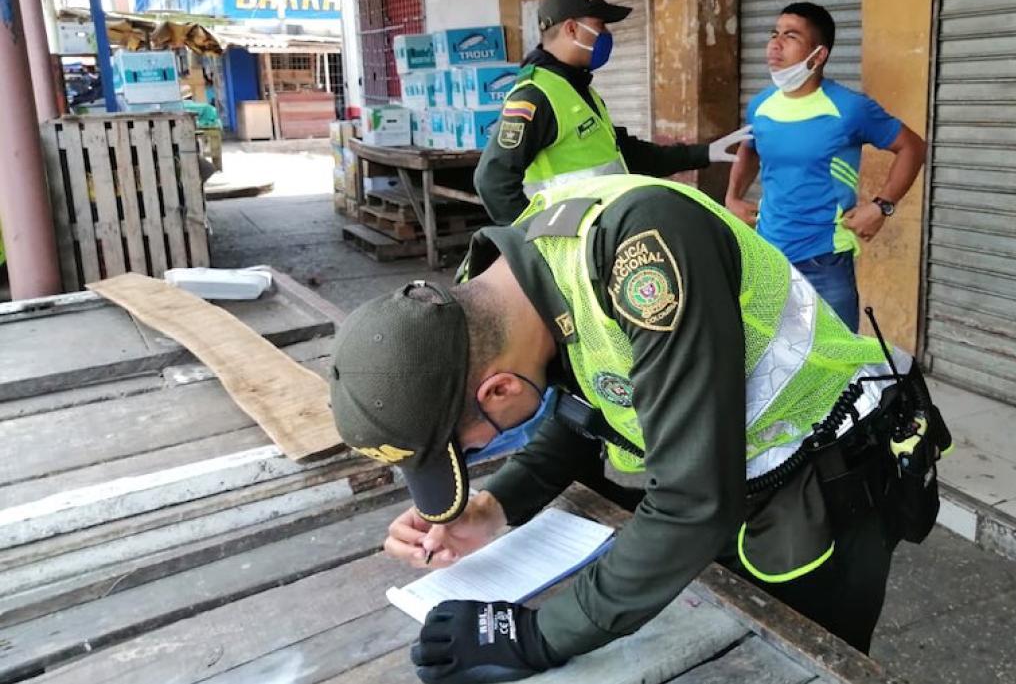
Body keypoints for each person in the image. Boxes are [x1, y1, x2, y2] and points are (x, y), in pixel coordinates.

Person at [329, 174, 952, 683]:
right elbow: (585, 413)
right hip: (729, 477)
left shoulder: (644, 253)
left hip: (822, 481)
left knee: (805, 662)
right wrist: (496, 506)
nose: (476, 456)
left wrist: (535, 636)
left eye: (469, 451)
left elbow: (690, 504)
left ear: (498, 389)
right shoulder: (502, 296)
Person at [474, 0, 750, 224]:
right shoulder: (536, 95)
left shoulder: (577, 89)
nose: (606, 34)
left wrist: (705, 153)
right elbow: (492, 181)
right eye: (599, 25)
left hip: (597, 239)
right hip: (568, 252)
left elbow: (626, 155)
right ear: (571, 29)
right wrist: (535, 243)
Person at [725, 3, 927, 332]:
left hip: (826, 262)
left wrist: (881, 206)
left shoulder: (849, 108)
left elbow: (912, 147)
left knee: (836, 367)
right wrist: (732, 197)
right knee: (769, 361)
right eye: (774, 34)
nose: (775, 44)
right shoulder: (761, 105)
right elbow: (750, 148)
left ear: (818, 55)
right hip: (767, 257)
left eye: (790, 36)